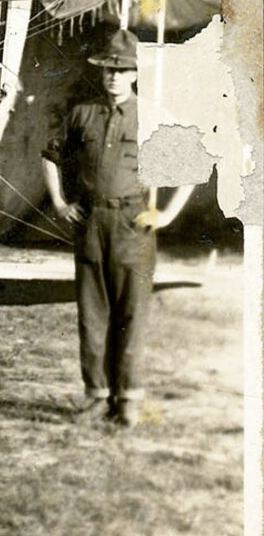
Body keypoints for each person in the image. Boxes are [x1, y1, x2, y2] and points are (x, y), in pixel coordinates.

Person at [40, 29, 192, 429]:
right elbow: (50, 155)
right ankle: (96, 395)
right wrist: (59, 203)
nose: (114, 76)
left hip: (132, 226)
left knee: (132, 314)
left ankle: (129, 398)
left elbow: (192, 166)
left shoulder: (153, 116)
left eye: (122, 69)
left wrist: (167, 216)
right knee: (92, 315)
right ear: (101, 71)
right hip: (91, 223)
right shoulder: (82, 113)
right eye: (109, 68)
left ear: (134, 73)